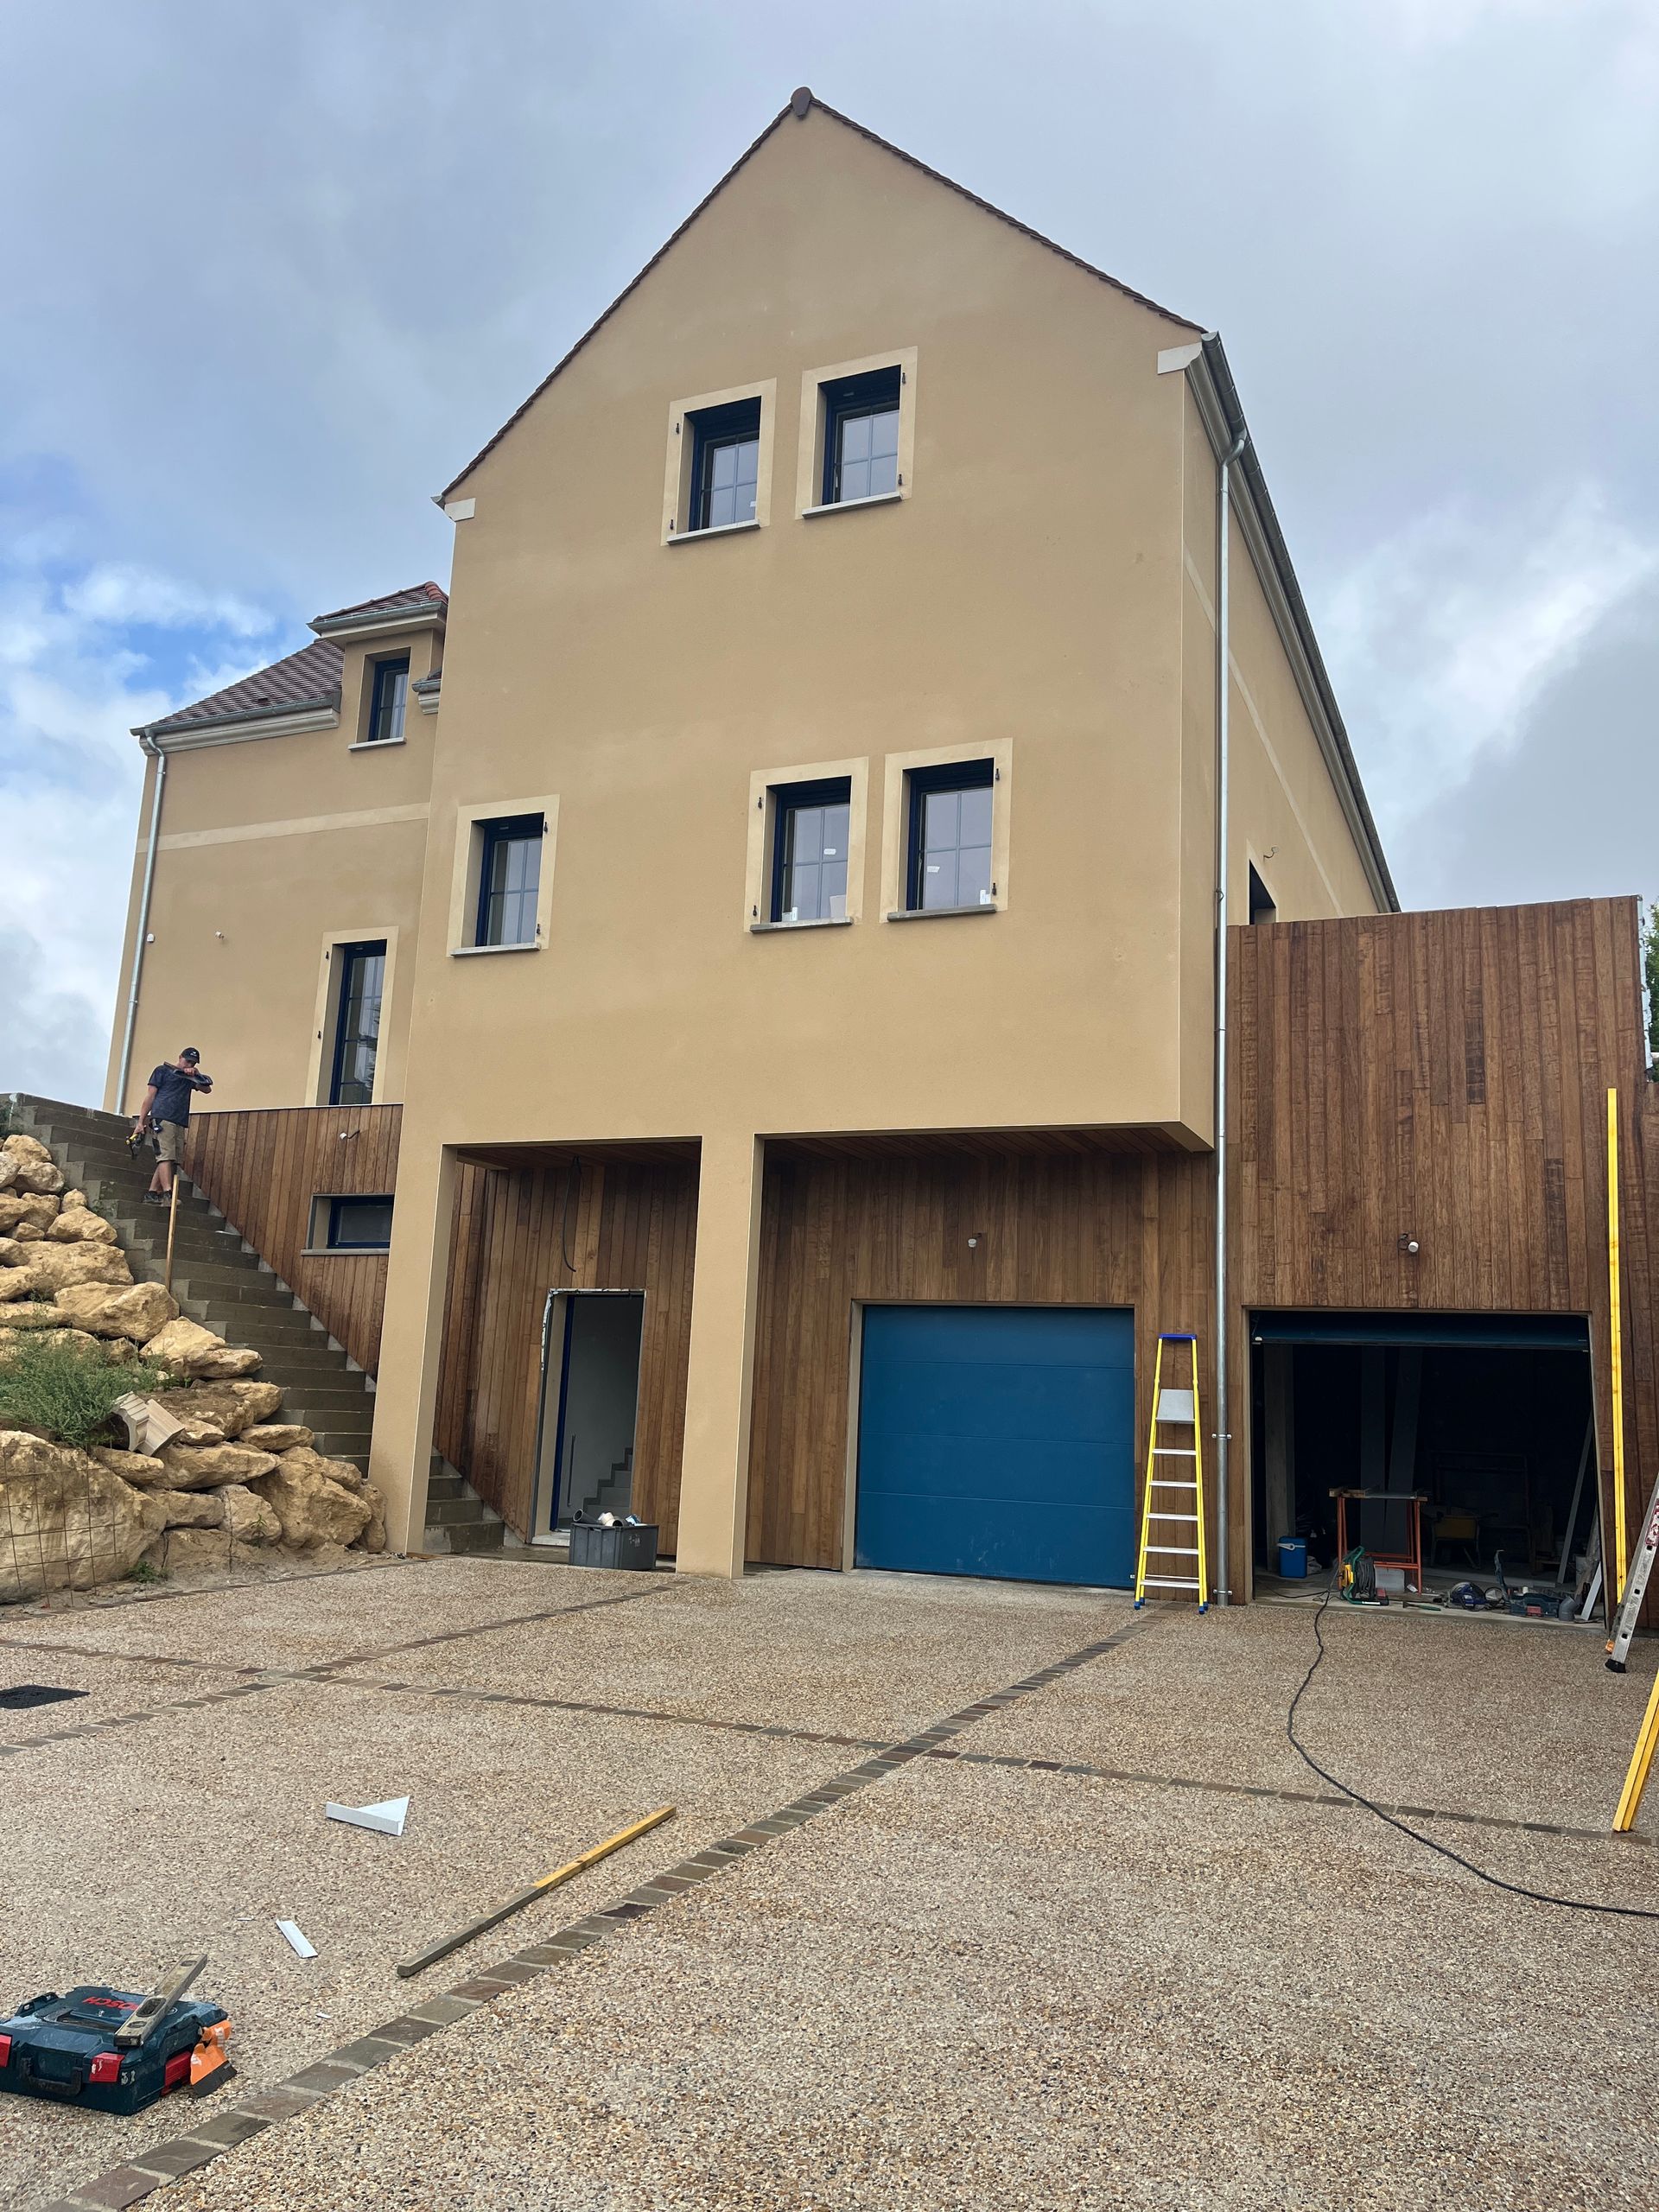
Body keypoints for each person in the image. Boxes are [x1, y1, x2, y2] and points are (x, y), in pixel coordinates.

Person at [134, 1048, 213, 1204]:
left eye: (193, 1063)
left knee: (172, 1158)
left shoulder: (190, 1077)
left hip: (180, 1120)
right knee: (165, 1155)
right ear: (180, 1057)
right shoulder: (162, 1071)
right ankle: (167, 1193)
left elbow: (207, 1089)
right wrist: (140, 1122)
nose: (189, 1065)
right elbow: (150, 1096)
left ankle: (152, 1192)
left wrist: (196, 1074)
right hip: (163, 1117)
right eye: (187, 1061)